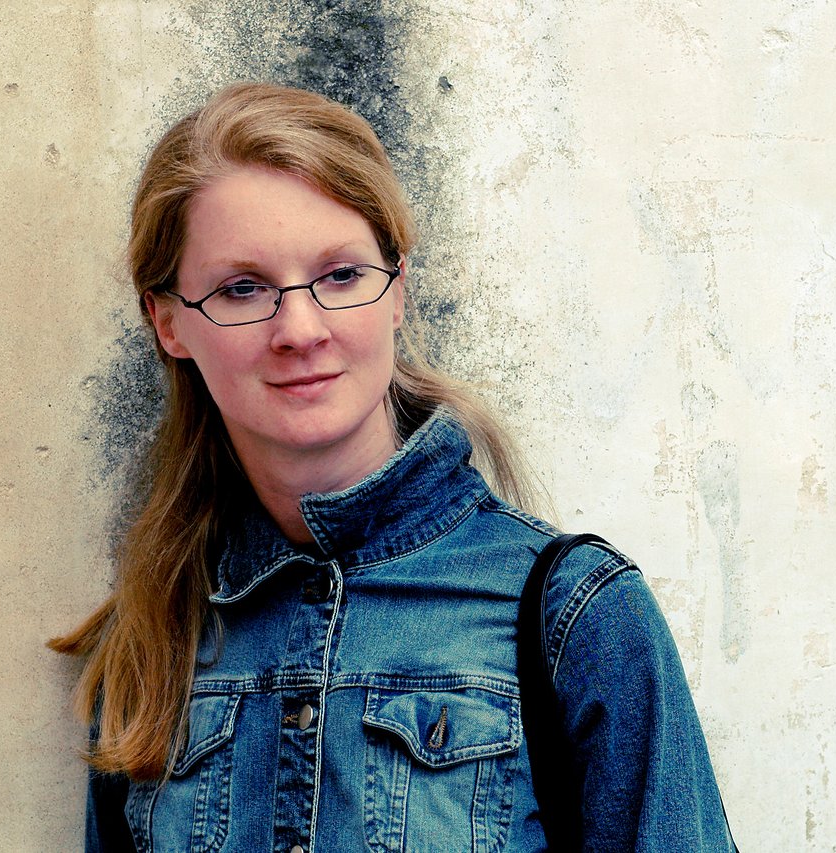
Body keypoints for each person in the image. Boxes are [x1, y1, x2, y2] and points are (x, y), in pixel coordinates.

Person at [52, 81, 734, 852]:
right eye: (243, 288)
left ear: (398, 288)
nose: (300, 329)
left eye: (341, 275)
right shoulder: (153, 640)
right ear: (168, 320)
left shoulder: (573, 618)